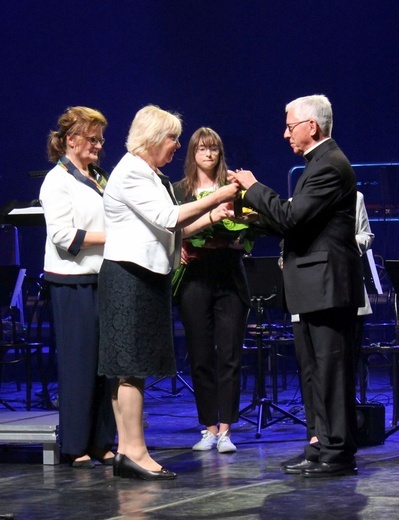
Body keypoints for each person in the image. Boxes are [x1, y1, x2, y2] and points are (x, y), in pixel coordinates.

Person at [98, 106, 239, 481]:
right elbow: (167, 218)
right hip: (129, 277)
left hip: (142, 276)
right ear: (152, 138)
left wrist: (212, 215)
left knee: (132, 368)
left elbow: (170, 231)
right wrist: (217, 194)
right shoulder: (132, 172)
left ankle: (129, 451)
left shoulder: (148, 174)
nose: (178, 145)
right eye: (173, 138)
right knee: (129, 367)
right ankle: (134, 451)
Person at [229, 95, 365, 478]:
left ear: (312, 126)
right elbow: (295, 223)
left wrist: (254, 187)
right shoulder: (317, 166)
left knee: (330, 371)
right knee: (312, 371)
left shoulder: (330, 167)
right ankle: (319, 443)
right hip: (311, 285)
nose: (285, 132)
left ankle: (338, 451)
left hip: (327, 285)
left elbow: (291, 216)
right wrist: (247, 216)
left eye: (290, 125)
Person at [173, 127, 259, 453]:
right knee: (200, 354)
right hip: (195, 276)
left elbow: (250, 228)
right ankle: (208, 426)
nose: (208, 155)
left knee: (230, 354)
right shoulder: (181, 190)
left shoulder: (232, 188)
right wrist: (179, 243)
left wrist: (239, 233)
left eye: (214, 149)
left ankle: (226, 430)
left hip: (229, 275)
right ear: (193, 153)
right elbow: (171, 228)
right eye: (202, 149)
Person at [39, 106, 116, 468]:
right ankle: (75, 444)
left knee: (105, 366)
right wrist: (113, 237)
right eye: (92, 139)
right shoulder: (57, 180)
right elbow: (63, 236)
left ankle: (102, 440)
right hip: (72, 284)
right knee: (79, 365)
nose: (99, 145)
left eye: (101, 139)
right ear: (71, 140)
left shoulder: (98, 176)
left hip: (102, 278)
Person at [291, 190, 375, 446]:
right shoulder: (297, 202)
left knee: (341, 370)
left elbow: (366, 236)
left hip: (343, 291)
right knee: (309, 371)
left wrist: (339, 243)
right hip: (305, 293)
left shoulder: (354, 197)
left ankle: (340, 436)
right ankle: (315, 434)